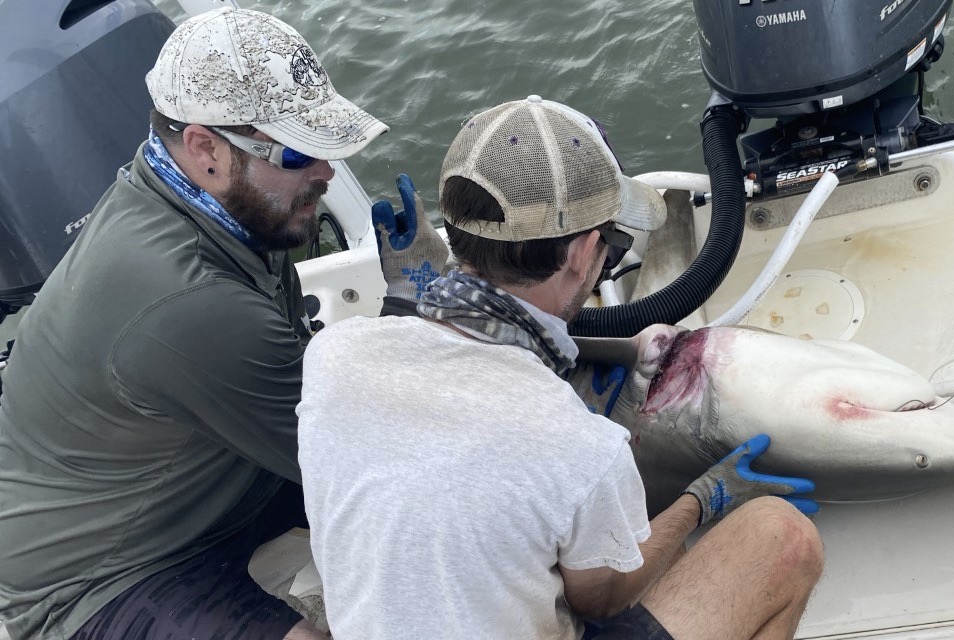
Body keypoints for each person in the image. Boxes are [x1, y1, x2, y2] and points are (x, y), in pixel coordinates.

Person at [297, 95, 825, 639]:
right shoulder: (582, 448)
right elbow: (602, 600)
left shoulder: (332, 357)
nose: (607, 260)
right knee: (782, 537)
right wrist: (700, 500)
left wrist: (417, 295)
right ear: (581, 252)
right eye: (613, 245)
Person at [0, 8, 418, 639]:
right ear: (204, 148)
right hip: (96, 576)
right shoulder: (192, 303)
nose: (327, 172)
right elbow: (374, 460)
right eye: (300, 151)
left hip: (209, 482)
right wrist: (414, 309)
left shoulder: (203, 198)